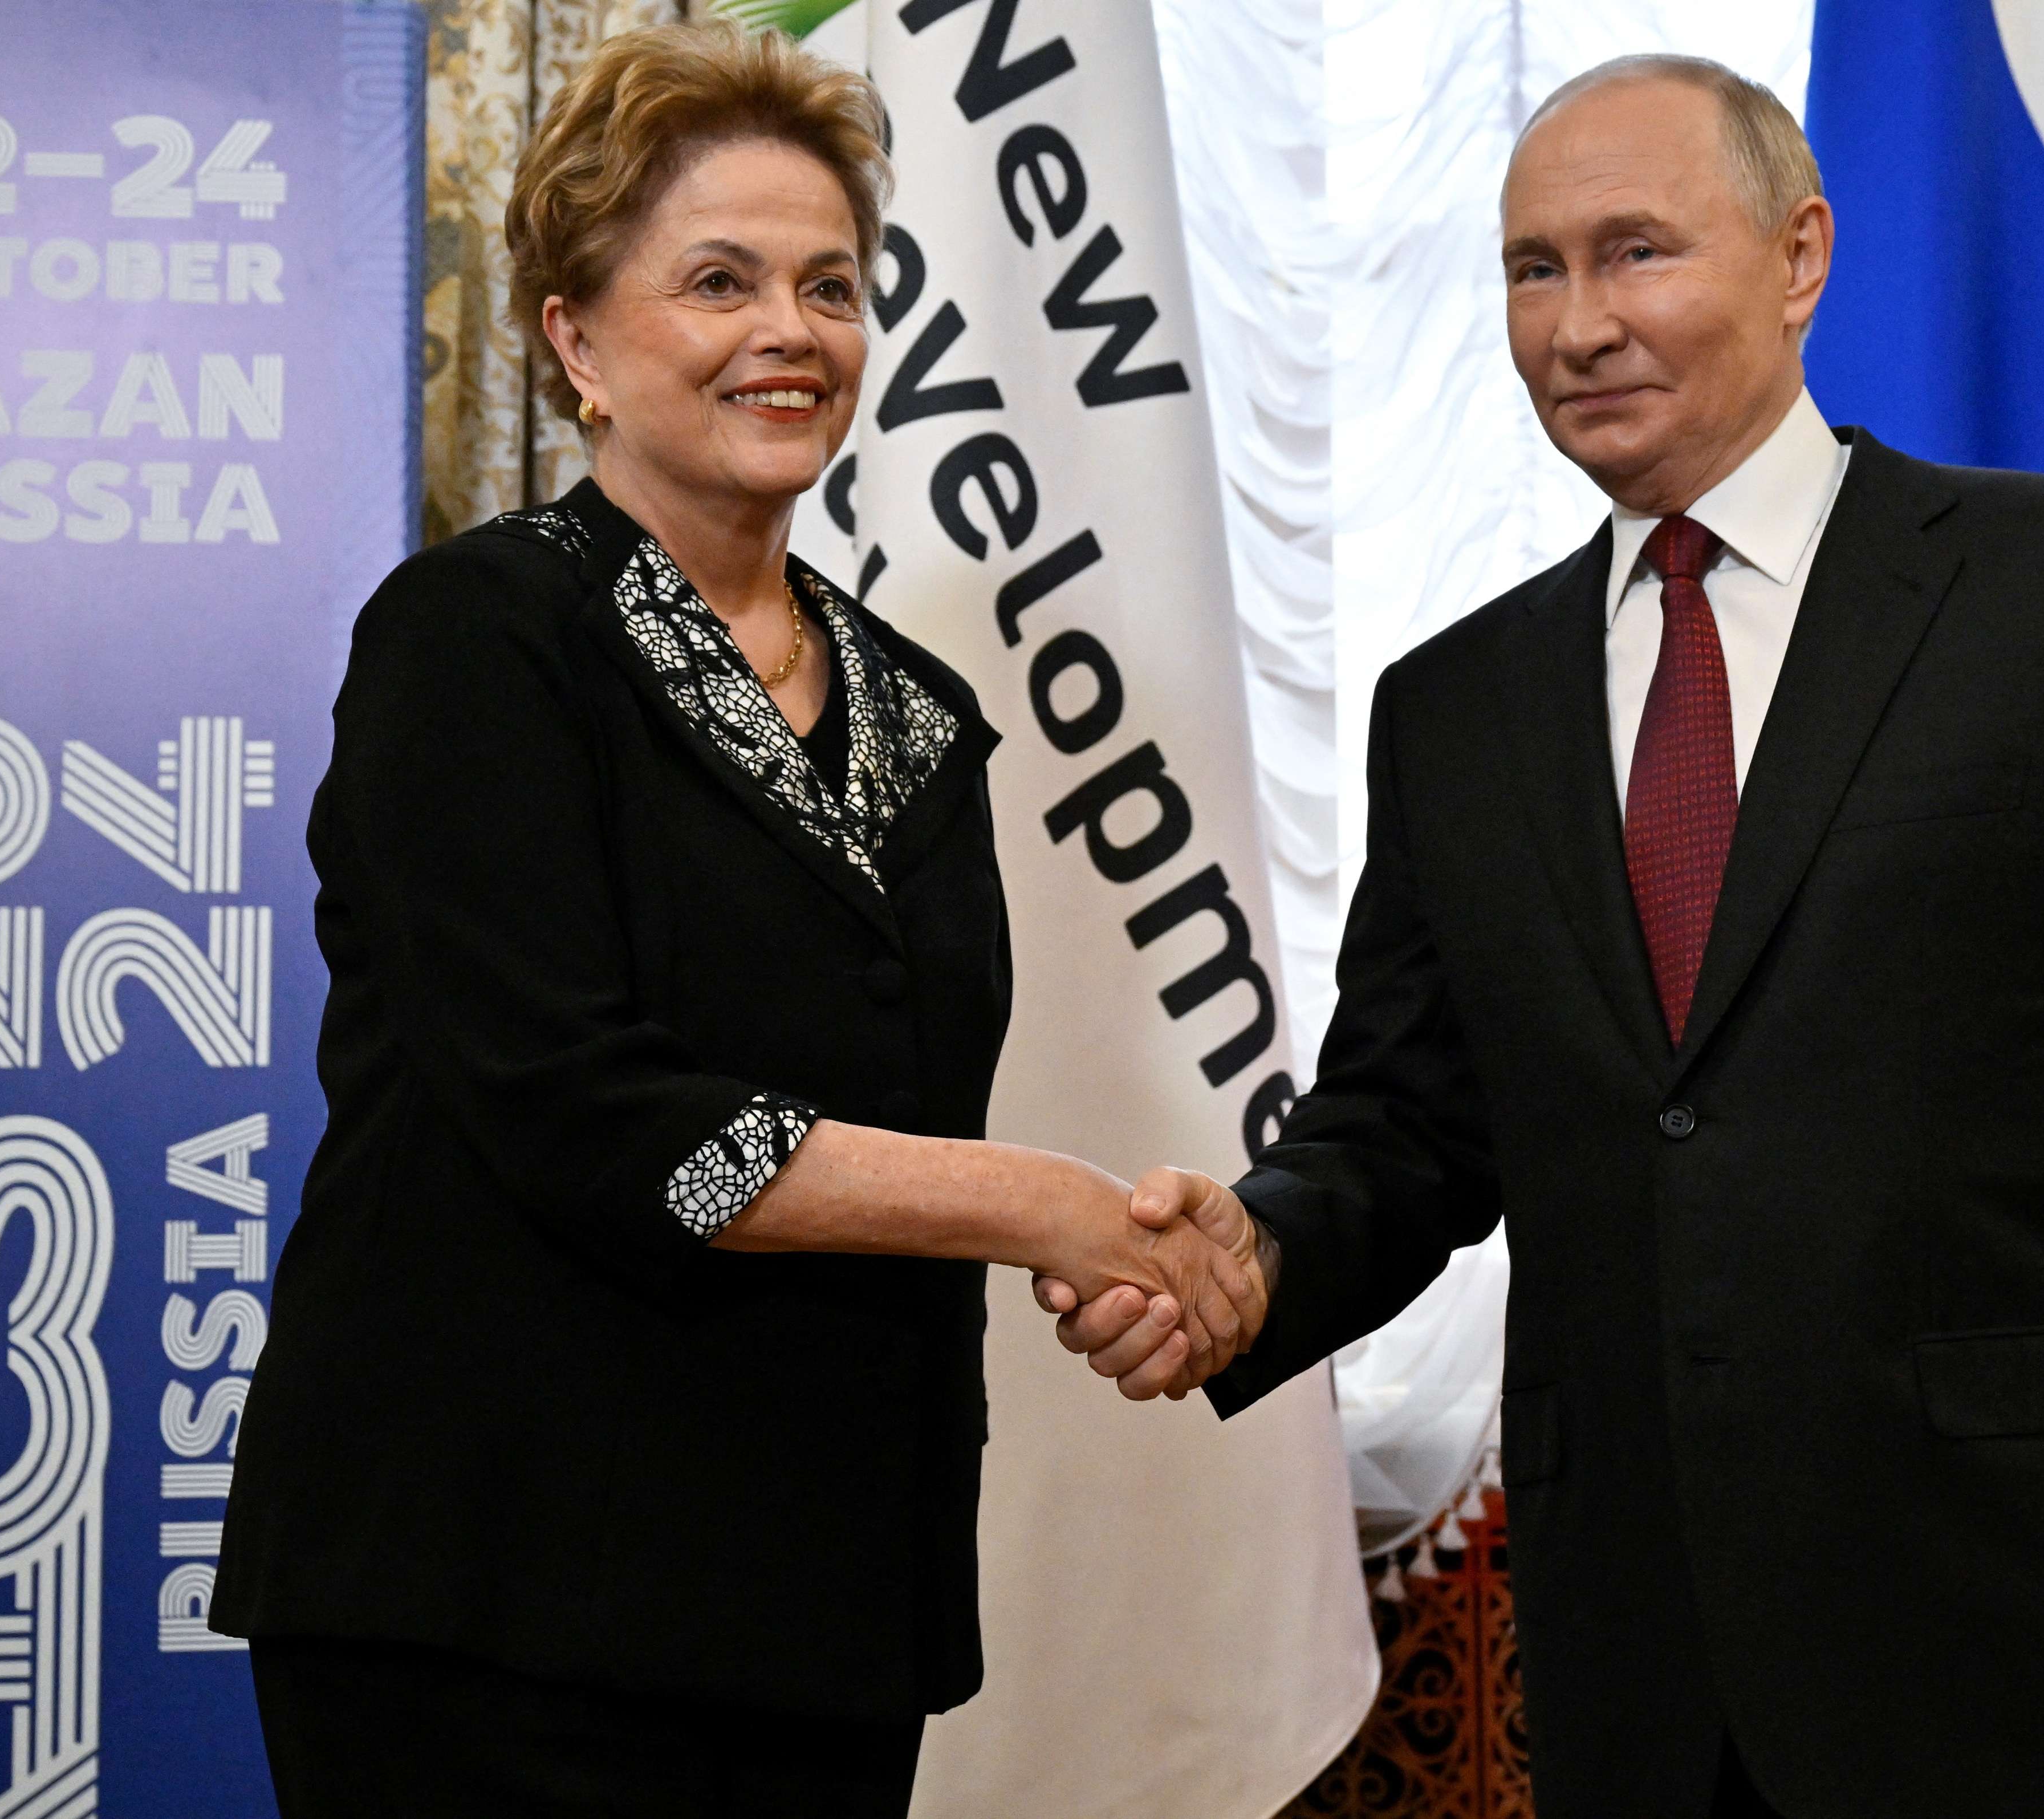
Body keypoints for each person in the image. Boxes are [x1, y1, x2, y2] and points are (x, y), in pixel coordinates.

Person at [1043, 53, 2044, 1819]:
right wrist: (1252, 1262)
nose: (1577, 324)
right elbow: (1410, 1129)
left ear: (1799, 257)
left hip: (2002, 1617)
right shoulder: (1457, 704)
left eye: (1636, 251)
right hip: (1637, 1645)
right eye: (1532, 269)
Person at [210, 22, 1261, 1819]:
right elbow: (588, 1119)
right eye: (719, 281)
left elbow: (894, 1098)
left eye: (831, 286)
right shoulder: (475, 642)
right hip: (498, 1600)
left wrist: (1144, 1264)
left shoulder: (919, 711)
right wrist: (1051, 1208)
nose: (792, 330)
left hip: (824, 1601)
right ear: (576, 343)